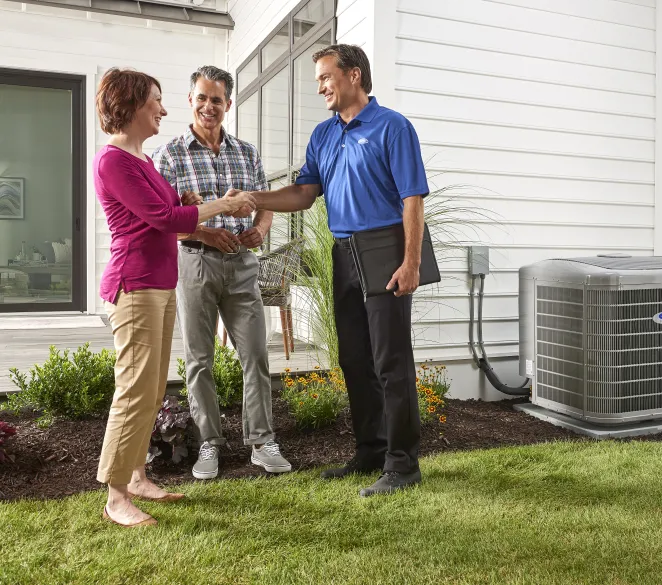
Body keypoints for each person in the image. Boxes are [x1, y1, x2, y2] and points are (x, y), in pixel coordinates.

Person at [251, 44, 429, 497]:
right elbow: (305, 193)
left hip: (386, 248)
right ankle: (371, 450)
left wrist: (411, 262)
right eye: (318, 81)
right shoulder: (323, 135)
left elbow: (412, 198)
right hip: (342, 251)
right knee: (352, 359)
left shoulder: (393, 126)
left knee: (391, 361)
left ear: (353, 75)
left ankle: (403, 464)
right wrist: (255, 198)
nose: (321, 87)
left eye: (326, 77)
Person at [94, 68, 255, 527]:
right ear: (131, 105)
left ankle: (138, 475)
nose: (163, 110)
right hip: (135, 285)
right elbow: (166, 218)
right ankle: (115, 495)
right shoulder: (113, 161)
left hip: (160, 283)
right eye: (155, 102)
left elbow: (172, 210)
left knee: (151, 389)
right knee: (133, 390)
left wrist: (186, 199)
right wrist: (222, 205)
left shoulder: (141, 159)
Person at [152, 66, 291, 481]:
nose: (208, 106)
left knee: (255, 355)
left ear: (228, 104)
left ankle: (262, 442)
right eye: (201, 98)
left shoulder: (246, 153)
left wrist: (261, 229)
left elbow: (265, 200)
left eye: (217, 99)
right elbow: (164, 218)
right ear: (190, 100)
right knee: (199, 359)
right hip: (195, 262)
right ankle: (209, 442)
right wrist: (204, 233)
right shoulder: (170, 155)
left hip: (243, 266)